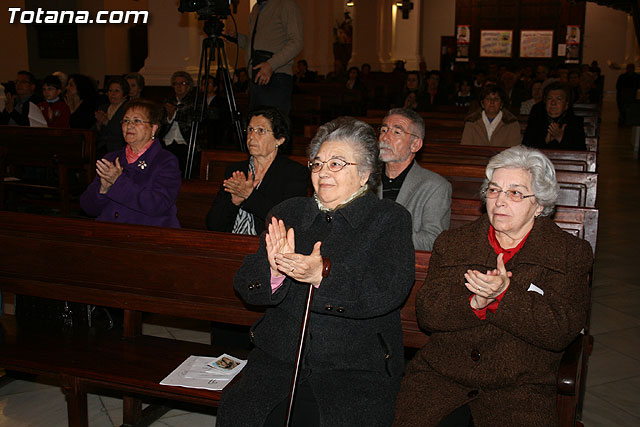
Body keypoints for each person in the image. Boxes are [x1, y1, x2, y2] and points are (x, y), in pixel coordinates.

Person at [216, 117, 415, 427]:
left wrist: (323, 275)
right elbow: (245, 282)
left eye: (337, 164)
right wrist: (274, 269)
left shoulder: (389, 219)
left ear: (364, 174)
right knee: (242, 413)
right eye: (318, 163)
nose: (323, 172)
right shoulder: (288, 211)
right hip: (279, 357)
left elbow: (388, 289)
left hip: (353, 366)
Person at [394, 145, 593, 426]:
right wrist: (473, 304)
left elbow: (560, 329)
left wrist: (503, 297)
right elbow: (428, 313)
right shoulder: (453, 243)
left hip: (520, 391)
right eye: (494, 190)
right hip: (441, 378)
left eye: (514, 193)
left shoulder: (568, 253)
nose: (500, 201)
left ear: (539, 205)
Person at [206, 106, 308, 234]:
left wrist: (250, 196)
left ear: (280, 139)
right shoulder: (236, 170)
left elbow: (287, 222)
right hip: (230, 243)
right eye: (250, 130)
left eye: (260, 131)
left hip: (267, 248)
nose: (252, 137)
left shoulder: (294, 173)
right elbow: (213, 225)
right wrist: (234, 202)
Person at [80, 99, 181, 228]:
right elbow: (88, 208)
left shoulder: (165, 161)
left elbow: (158, 205)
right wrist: (103, 190)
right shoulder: (112, 158)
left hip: (147, 235)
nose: (129, 125)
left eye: (137, 121)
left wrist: (118, 181)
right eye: (126, 121)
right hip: (108, 233)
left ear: (153, 128)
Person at [378, 108, 451, 251]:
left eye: (396, 132)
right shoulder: (365, 179)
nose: (385, 138)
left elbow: (433, 240)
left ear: (415, 145)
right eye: (384, 130)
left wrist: (380, 235)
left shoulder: (435, 186)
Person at [238, 0, 303, 115]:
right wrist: (235, 38)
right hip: (257, 75)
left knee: (274, 125)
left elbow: (296, 42)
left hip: (277, 76)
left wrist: (271, 65)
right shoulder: (256, 9)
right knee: (257, 123)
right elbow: (255, 44)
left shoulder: (285, 4)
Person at [523, 81, 586, 151]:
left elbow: (581, 152)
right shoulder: (536, 119)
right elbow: (525, 147)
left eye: (558, 99)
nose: (553, 103)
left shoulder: (575, 122)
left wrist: (560, 137)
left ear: (566, 105)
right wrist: (545, 141)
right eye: (549, 99)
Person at [160, 71, 197, 172]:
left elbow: (191, 123)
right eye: (176, 84)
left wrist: (175, 114)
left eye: (182, 83)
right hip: (167, 142)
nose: (179, 86)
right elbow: (160, 125)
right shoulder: (168, 101)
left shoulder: (195, 101)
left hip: (185, 142)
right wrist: (169, 117)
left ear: (189, 86)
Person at [95, 77, 129, 157]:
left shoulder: (127, 109)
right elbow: (94, 132)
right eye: (110, 91)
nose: (112, 94)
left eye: (116, 91)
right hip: (101, 150)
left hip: (119, 150)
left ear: (124, 94)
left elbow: (123, 132)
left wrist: (107, 122)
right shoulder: (103, 108)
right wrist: (98, 125)